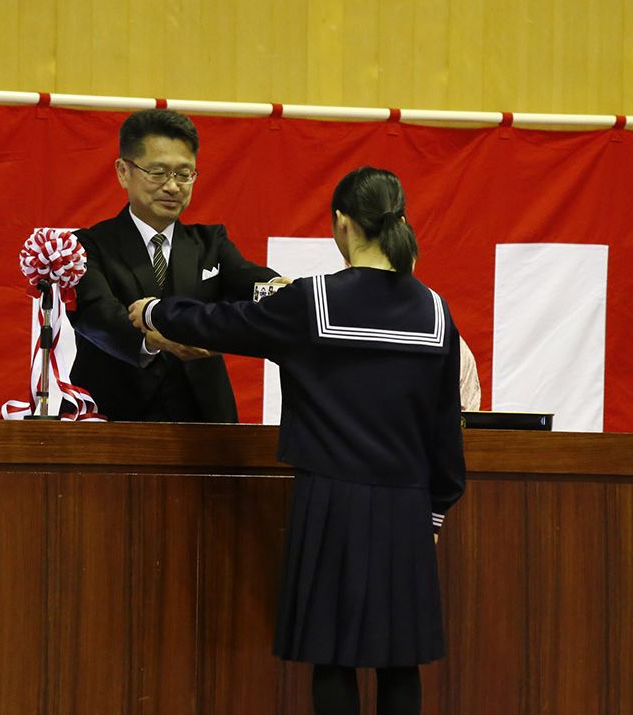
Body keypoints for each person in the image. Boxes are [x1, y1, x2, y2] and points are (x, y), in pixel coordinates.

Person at [128, 167, 466, 715]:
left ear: (342, 223)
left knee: (333, 657)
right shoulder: (434, 310)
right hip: (407, 504)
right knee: (400, 660)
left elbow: (223, 323)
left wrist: (155, 310)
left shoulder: (315, 302)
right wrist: (435, 512)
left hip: (330, 500)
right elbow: (445, 428)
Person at [67, 109, 278, 422]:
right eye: (158, 172)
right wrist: (154, 339)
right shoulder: (88, 245)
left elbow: (248, 279)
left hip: (205, 421)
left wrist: (284, 289)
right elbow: (97, 315)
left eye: (184, 174)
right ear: (123, 171)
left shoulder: (211, 243)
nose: (173, 186)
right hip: (115, 418)